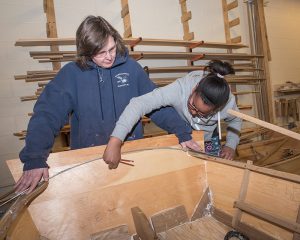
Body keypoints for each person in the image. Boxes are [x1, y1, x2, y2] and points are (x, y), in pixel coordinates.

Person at [15, 15, 198, 193]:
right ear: (86, 52)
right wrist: (35, 157)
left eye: (111, 49)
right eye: (101, 53)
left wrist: (182, 132)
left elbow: (157, 106)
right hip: (88, 159)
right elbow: (48, 114)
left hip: (131, 152)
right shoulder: (72, 74)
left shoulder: (131, 69)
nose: (109, 57)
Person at [103, 60, 242, 169]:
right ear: (194, 89)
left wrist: (231, 144)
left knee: (211, 172)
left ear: (217, 108)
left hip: (208, 140)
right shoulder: (180, 89)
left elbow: (236, 120)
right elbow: (138, 104)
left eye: (201, 113)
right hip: (179, 135)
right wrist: (116, 140)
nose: (193, 113)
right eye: (192, 105)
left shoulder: (228, 103)